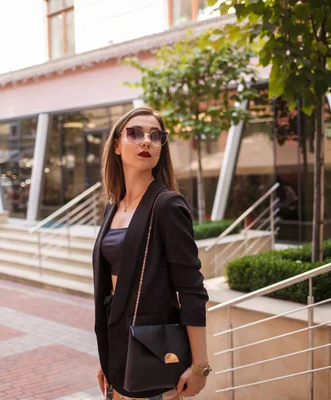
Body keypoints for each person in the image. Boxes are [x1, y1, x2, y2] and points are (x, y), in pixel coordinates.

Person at [93, 107, 211, 400]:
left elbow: (192, 289)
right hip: (118, 352)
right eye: (135, 133)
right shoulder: (113, 207)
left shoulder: (167, 205)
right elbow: (111, 294)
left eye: (155, 135)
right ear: (117, 145)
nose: (146, 141)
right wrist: (106, 357)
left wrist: (199, 366)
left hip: (153, 355)